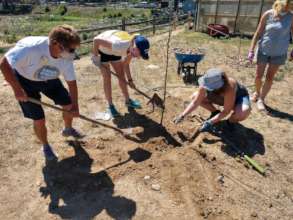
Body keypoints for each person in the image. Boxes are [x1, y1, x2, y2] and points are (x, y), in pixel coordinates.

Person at [0, 25, 82, 161]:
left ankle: (68, 129)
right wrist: (17, 89)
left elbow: (72, 83)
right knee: (39, 119)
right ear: (56, 44)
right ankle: (45, 146)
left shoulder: (66, 57)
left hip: (50, 78)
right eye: (71, 50)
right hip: (24, 80)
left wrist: (75, 106)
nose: (73, 53)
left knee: (68, 105)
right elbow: (4, 63)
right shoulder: (30, 48)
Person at [91, 30, 150, 117]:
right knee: (107, 78)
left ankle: (128, 101)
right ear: (135, 48)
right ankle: (111, 106)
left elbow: (125, 65)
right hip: (102, 49)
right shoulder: (121, 46)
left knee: (121, 75)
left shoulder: (132, 48)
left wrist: (130, 80)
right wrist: (95, 56)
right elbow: (96, 40)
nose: (138, 57)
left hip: (113, 49)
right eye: (139, 55)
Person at [248, 0, 293, 111]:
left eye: (290, 6)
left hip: (279, 53)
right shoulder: (268, 14)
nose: (288, 8)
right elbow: (258, 33)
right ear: (280, 4)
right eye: (287, 6)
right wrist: (251, 50)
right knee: (258, 76)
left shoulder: (291, 17)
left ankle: (261, 99)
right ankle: (257, 93)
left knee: (269, 77)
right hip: (263, 50)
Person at [173, 68, 251, 132]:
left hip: (238, 98)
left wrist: (209, 122)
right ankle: (215, 112)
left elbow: (226, 111)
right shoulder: (206, 82)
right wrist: (182, 115)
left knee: (241, 113)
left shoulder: (229, 87)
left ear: (218, 86)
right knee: (195, 96)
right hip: (221, 98)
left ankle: (229, 123)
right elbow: (196, 102)